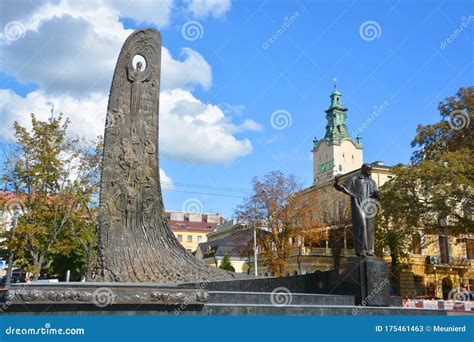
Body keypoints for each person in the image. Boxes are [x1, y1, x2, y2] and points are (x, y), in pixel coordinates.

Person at [334, 163, 380, 256]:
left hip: (369, 206)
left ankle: (370, 250)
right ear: (363, 169)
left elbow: (377, 192)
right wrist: (336, 183)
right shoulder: (354, 179)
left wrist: (378, 194)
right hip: (358, 205)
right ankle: (361, 250)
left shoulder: (372, 182)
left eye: (370, 170)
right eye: (368, 170)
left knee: (370, 228)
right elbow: (343, 187)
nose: (369, 172)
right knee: (361, 225)